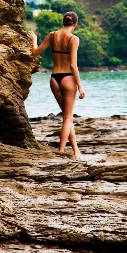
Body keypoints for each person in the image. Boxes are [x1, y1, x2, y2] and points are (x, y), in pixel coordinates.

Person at [28, 11, 85, 158]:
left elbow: (35, 52)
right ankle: (60, 152)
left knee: (67, 116)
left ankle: (76, 150)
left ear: (63, 22)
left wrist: (34, 39)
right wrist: (80, 85)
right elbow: (73, 65)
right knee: (67, 117)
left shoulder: (52, 35)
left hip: (54, 79)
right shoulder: (73, 39)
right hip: (68, 78)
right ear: (75, 24)